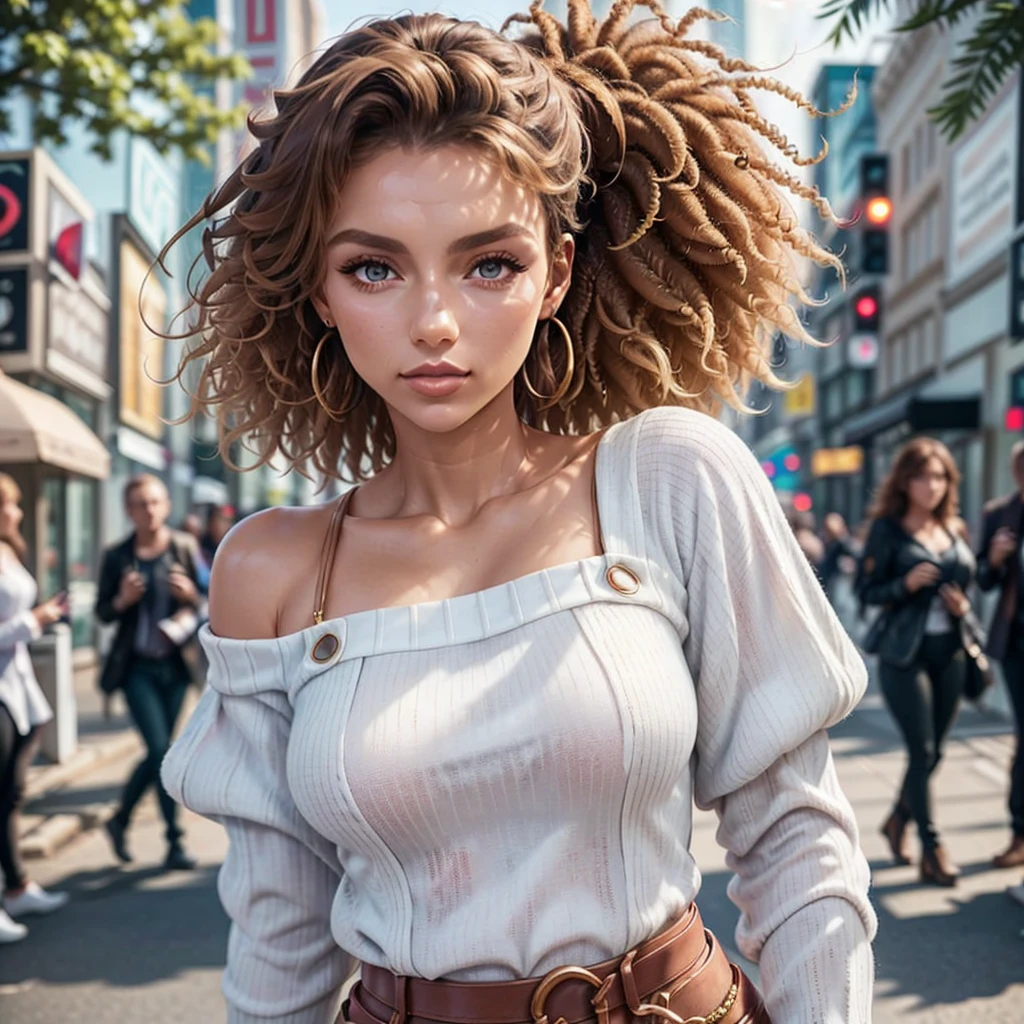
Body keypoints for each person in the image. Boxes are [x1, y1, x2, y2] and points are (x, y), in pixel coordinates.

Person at [160, 5, 875, 1023]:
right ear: (317, 289)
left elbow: (797, 843)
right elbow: (278, 942)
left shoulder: (670, 478)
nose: (434, 322)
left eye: (487, 261)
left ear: (558, 274)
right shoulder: (271, 570)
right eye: (374, 267)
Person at [857, 438, 975, 887]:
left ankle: (895, 820)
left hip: (951, 652)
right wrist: (903, 584)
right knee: (922, 750)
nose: (933, 486)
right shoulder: (887, 530)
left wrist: (964, 608)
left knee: (935, 751)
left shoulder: (954, 530)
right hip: (903, 655)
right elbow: (868, 592)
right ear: (905, 481)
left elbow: (971, 582)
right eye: (924, 476)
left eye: (941, 476)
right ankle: (931, 845)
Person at [95, 474, 202, 871]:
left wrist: (191, 595)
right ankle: (174, 841)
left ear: (167, 506)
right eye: (140, 503)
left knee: (162, 752)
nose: (149, 510)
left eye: (155, 502)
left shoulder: (184, 547)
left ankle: (120, 820)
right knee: (161, 752)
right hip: (136, 667)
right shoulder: (118, 555)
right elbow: (102, 612)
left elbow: (211, 597)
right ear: (128, 510)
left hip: (175, 666)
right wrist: (123, 600)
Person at [0, 473, 69, 943]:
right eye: (10, 504)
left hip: (18, 691)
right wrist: (35, 619)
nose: (18, 512)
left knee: (12, 794)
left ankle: (17, 886)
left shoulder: (9, 548)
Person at [976, 439, 1024, 870]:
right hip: (1017, 642)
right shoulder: (1000, 515)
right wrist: (994, 558)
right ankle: (1019, 833)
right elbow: (984, 581)